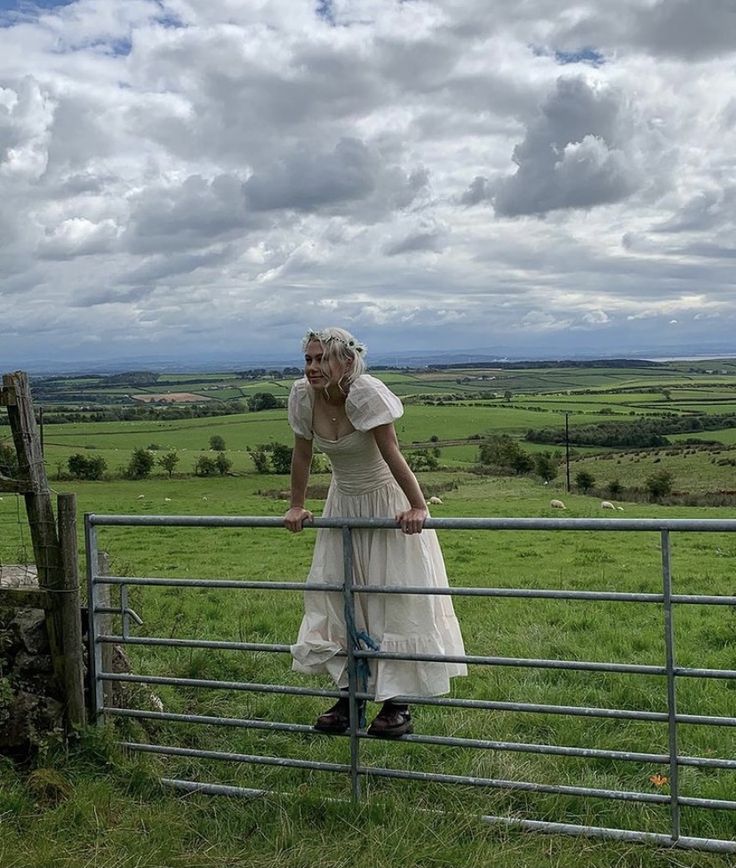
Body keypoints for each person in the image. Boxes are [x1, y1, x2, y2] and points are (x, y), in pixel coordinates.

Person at [283, 327, 466, 738]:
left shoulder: (364, 393)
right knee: (341, 593)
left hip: (385, 503)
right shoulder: (302, 397)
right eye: (309, 360)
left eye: (321, 359)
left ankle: (395, 705)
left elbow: (391, 452)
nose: (312, 367)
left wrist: (417, 506)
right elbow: (302, 454)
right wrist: (296, 503)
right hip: (342, 502)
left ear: (346, 362)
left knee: (391, 596)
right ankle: (350, 698)